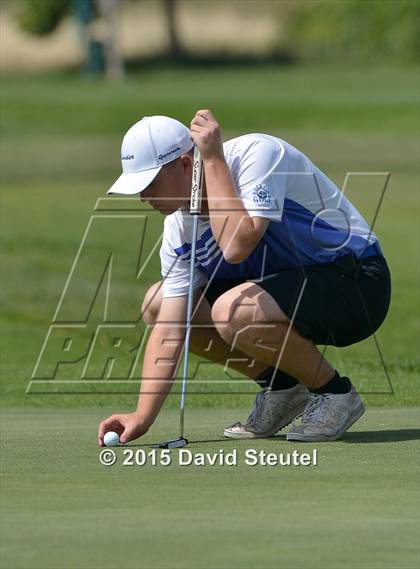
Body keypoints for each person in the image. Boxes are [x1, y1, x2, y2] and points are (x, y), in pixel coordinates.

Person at [98, 110, 391, 446]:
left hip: (356, 283)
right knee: (158, 302)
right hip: (283, 294)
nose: (143, 198)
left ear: (184, 165)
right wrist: (142, 416)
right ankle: (283, 388)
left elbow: (237, 244)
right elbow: (169, 328)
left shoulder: (257, 155)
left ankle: (335, 393)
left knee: (231, 311)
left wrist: (211, 158)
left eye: (150, 184)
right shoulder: (178, 229)